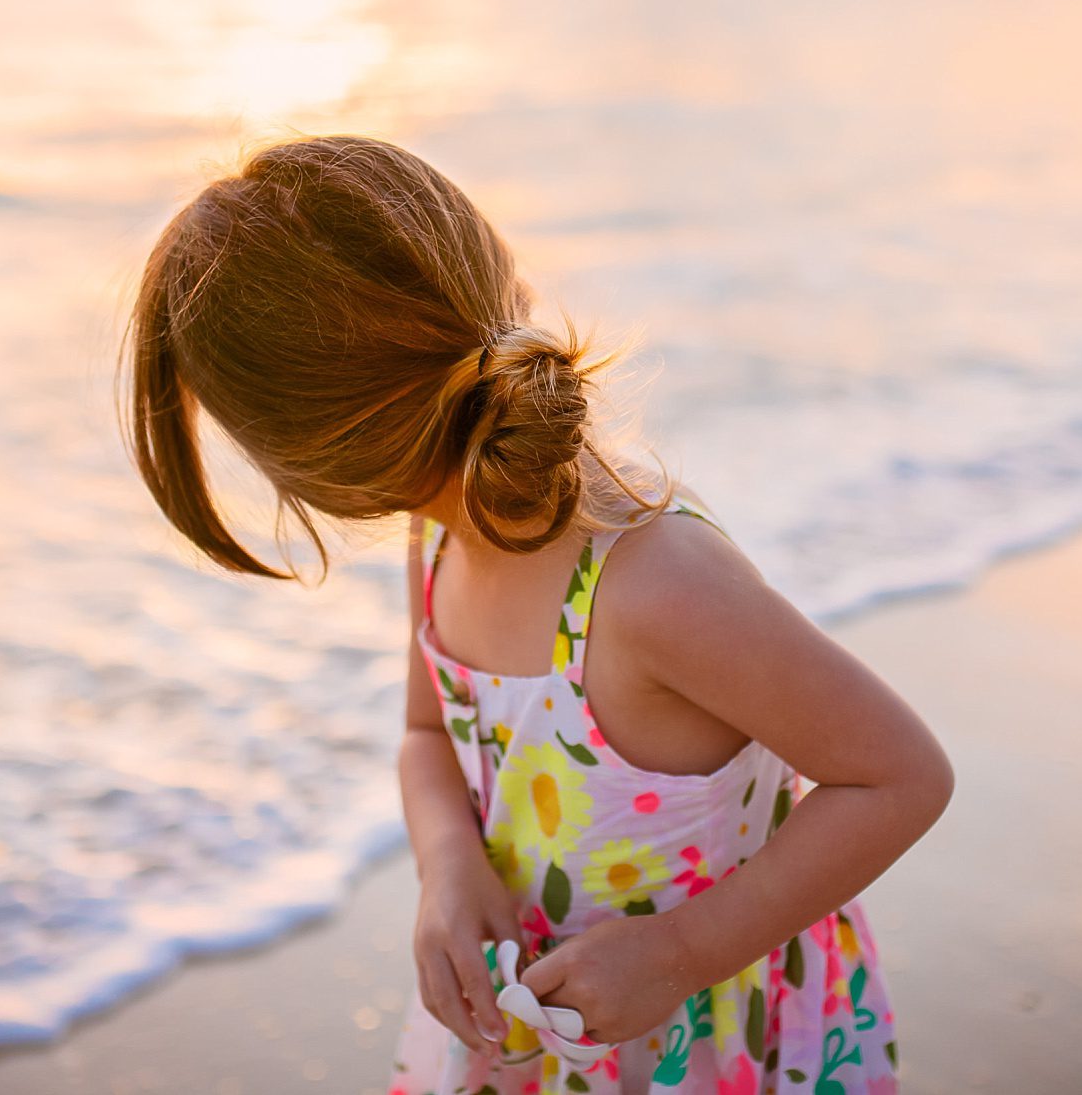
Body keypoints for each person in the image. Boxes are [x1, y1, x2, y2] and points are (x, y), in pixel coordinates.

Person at [119, 133, 954, 1094]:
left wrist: (683, 953)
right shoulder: (435, 539)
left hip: (710, 1035)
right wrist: (446, 865)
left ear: (313, 472)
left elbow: (899, 775)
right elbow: (427, 730)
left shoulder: (652, 584)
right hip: (538, 1041)